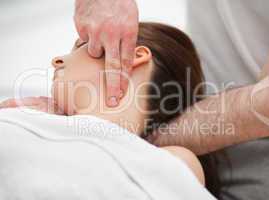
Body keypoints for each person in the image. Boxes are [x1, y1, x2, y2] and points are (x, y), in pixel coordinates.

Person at [73, 0, 269, 200]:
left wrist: (137, 145)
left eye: (86, 49)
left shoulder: (171, 162)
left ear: (138, 58)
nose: (56, 62)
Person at [0, 22, 220, 194]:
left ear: (134, 56)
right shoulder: (21, 117)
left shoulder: (176, 160)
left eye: (81, 46)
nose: (56, 60)